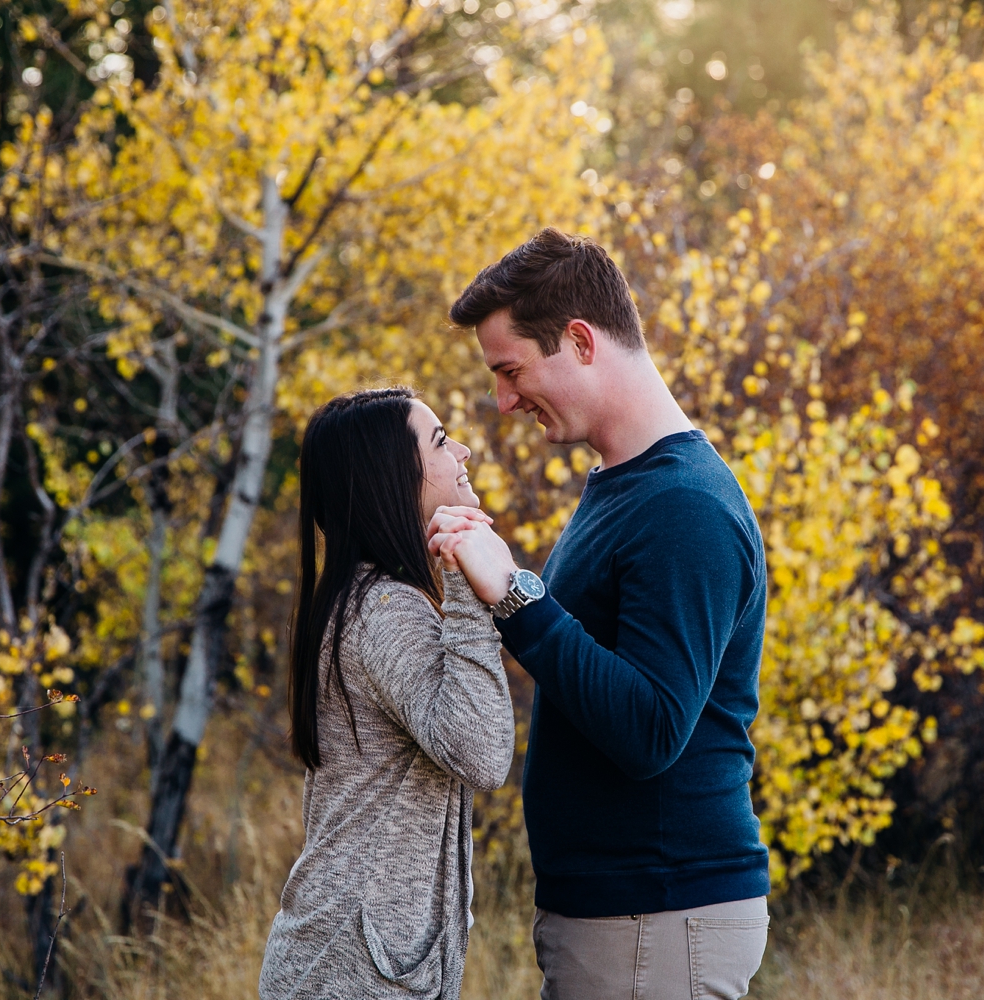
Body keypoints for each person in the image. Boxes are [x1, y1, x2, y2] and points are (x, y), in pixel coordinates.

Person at [430, 229, 771, 1000]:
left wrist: (515, 595)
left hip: (658, 914)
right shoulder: (626, 485)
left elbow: (651, 729)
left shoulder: (682, 505)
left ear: (580, 341)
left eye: (510, 371)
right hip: (628, 919)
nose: (503, 400)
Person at [258, 387, 516, 1000]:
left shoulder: (364, 596)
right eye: (441, 441)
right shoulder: (386, 609)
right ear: (392, 479)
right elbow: (482, 753)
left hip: (346, 960)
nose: (465, 451)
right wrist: (464, 588)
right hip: (351, 972)